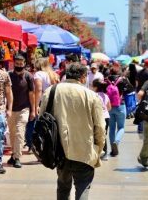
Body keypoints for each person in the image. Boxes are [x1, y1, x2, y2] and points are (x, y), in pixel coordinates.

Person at [39, 63, 105, 200]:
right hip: (84, 151)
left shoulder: (51, 91)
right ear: (82, 77)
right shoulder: (91, 96)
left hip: (59, 151)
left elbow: (41, 121)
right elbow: (100, 127)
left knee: (63, 187)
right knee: (83, 186)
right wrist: (98, 149)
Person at [7, 55, 35, 168]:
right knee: (12, 134)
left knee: (19, 132)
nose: (19, 65)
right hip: (11, 110)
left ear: (24, 63)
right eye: (17, 63)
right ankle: (13, 154)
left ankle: (17, 157)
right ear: (14, 63)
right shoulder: (8, 75)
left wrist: (33, 110)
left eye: (21, 63)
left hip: (24, 109)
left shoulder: (28, 76)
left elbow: (31, 94)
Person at [25, 57, 58, 151]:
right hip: (52, 101)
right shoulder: (53, 74)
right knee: (48, 123)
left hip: (41, 101)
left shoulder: (38, 74)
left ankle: (32, 144)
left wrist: (36, 106)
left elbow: (38, 90)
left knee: (33, 123)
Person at [107, 62, 134, 156]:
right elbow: (131, 90)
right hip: (120, 105)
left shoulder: (106, 80)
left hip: (109, 107)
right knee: (121, 127)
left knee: (111, 129)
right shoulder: (123, 80)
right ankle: (116, 142)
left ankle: (112, 149)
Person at [92, 78, 111, 160]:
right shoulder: (105, 95)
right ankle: (105, 154)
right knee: (104, 136)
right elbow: (109, 107)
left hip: (97, 118)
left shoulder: (93, 95)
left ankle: (97, 153)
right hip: (106, 117)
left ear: (95, 87)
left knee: (95, 135)